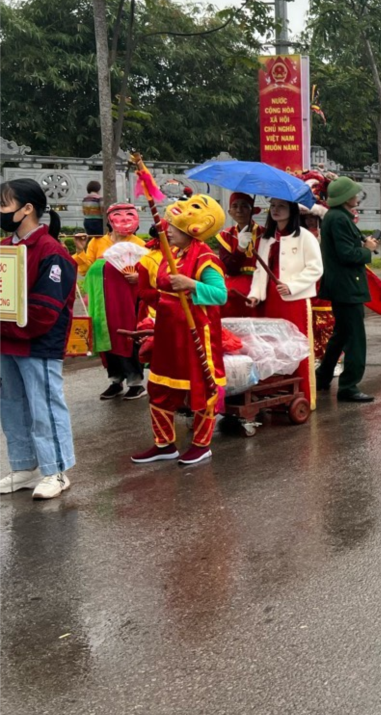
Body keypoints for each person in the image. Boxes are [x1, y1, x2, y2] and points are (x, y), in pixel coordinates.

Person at [130, 194, 228, 467]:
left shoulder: (206, 258)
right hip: (168, 332)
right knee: (160, 386)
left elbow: (220, 295)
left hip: (196, 332)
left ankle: (201, 444)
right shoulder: (171, 254)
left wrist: (190, 284)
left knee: (201, 388)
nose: (167, 230)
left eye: (173, 227)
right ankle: (164, 444)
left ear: (191, 229)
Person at [0, 179, 77, 499]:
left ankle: (56, 470)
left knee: (45, 406)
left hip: (38, 344)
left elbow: (45, 312)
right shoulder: (6, 247)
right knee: (12, 405)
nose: (1, 211)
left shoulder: (52, 252)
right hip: (7, 342)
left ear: (26, 208)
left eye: (4, 205)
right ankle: (24, 466)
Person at [247, 199, 324, 409]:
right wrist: (255, 294)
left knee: (297, 347)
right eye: (272, 206)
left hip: (294, 301)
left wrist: (292, 286)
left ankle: (303, 397)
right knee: (271, 347)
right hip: (269, 300)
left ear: (291, 210)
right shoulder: (266, 239)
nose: (275, 210)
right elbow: (260, 270)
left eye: (281, 206)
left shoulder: (306, 237)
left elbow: (316, 269)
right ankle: (272, 394)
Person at [72, 203, 148, 400]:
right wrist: (80, 250)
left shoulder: (140, 244)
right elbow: (85, 270)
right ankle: (115, 380)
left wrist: (139, 278)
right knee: (105, 336)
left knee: (127, 336)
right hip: (100, 300)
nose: (123, 219)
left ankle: (135, 382)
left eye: (128, 215)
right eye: (117, 215)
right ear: (109, 220)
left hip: (127, 301)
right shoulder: (97, 243)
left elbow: (152, 270)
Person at [316, 177, 379, 403]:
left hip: (342, 285)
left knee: (341, 334)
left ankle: (322, 377)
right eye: (354, 193)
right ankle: (349, 386)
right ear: (345, 197)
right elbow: (347, 254)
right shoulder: (339, 219)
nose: (357, 196)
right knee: (355, 338)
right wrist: (367, 250)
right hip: (346, 286)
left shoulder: (338, 217)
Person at [216, 192, 263, 319]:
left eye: (244, 206)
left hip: (259, 284)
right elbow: (229, 269)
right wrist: (240, 248)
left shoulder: (264, 233)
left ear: (251, 210)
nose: (239, 210)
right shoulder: (225, 235)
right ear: (229, 211)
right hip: (234, 287)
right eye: (235, 206)